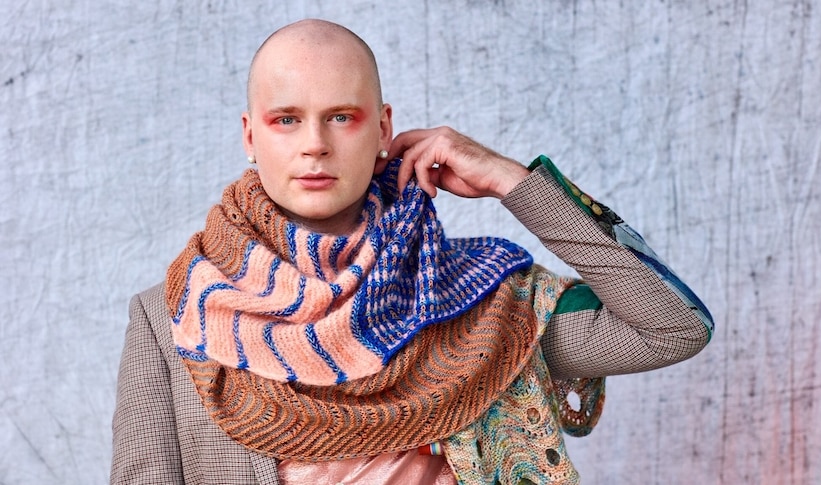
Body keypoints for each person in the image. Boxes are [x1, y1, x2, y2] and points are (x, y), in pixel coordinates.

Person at [110, 19, 713, 485]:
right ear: (250, 135)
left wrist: (512, 182)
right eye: (286, 119)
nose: (315, 145)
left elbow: (672, 328)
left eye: (341, 117)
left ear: (381, 128)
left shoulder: (482, 306)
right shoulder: (170, 320)